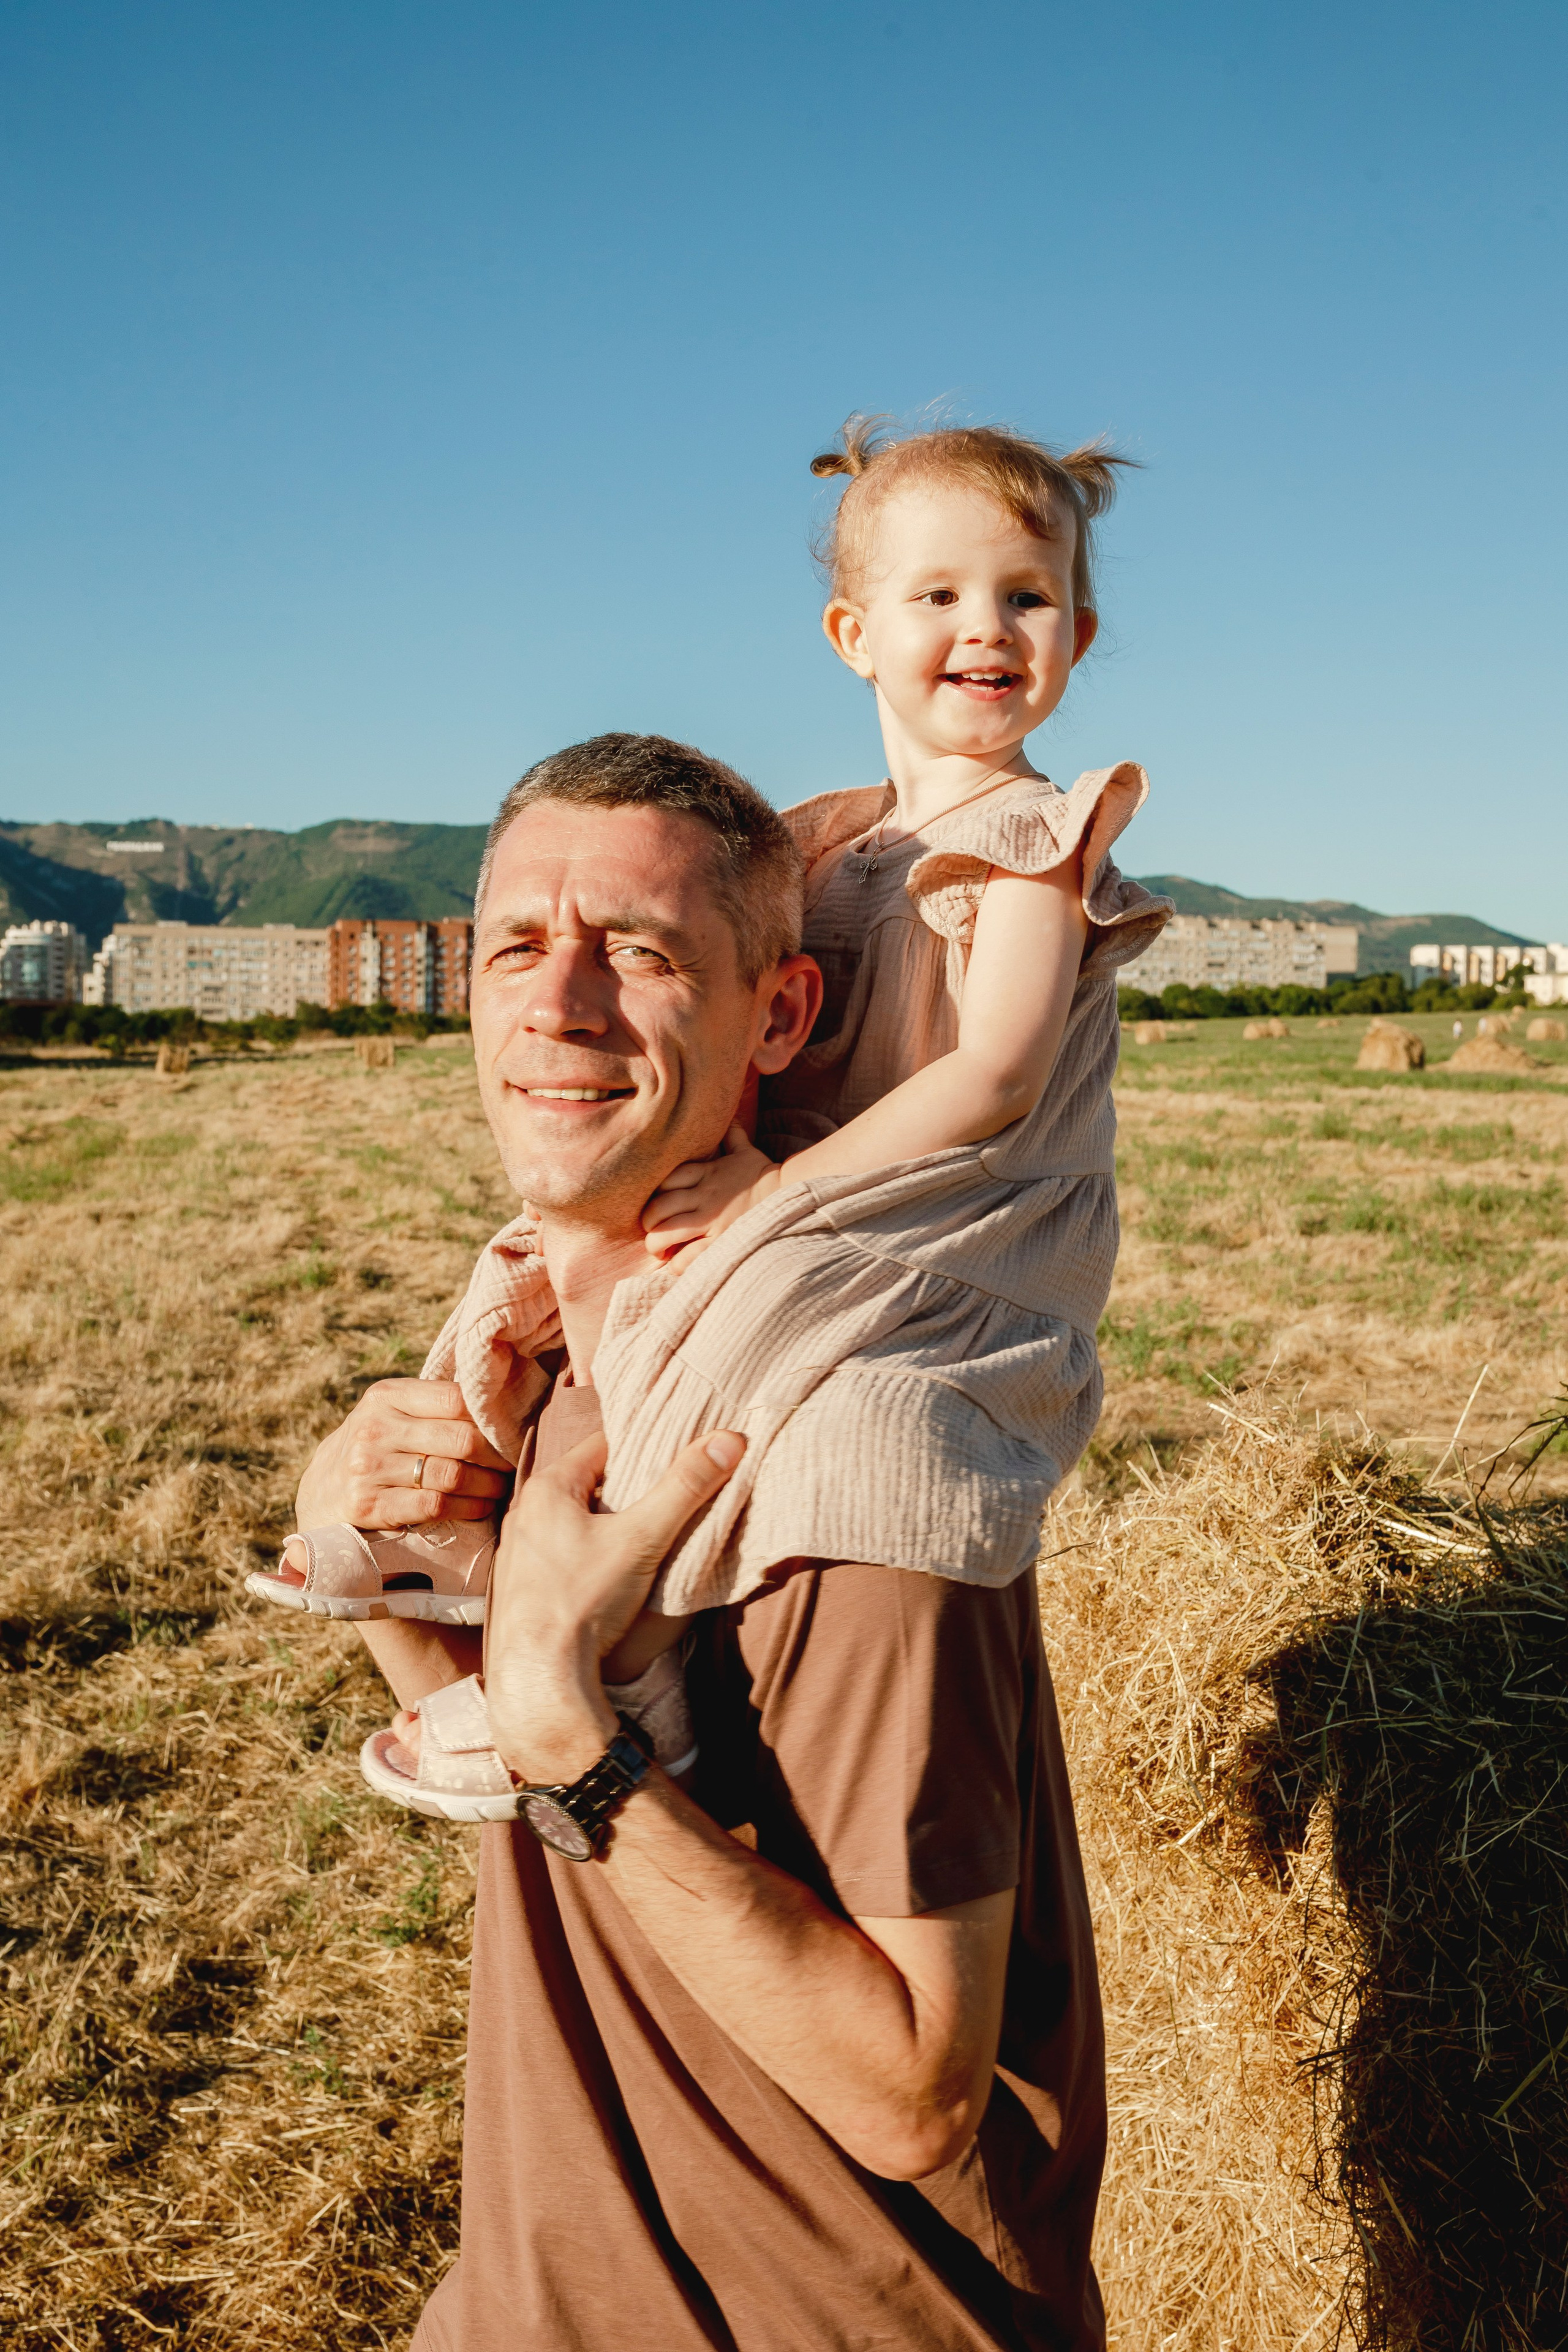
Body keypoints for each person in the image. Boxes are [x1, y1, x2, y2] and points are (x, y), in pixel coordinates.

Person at [288, 730, 1117, 2350]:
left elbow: (912, 2101)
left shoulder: (856, 1453)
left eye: (642, 954)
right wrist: (384, 1567)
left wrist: (562, 1731)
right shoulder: (538, 1369)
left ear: (782, 1016)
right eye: (519, 945)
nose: (562, 1004)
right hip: (536, 2302)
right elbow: (552, 1820)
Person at [255, 418, 1170, 1827]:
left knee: (706, 1355)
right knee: (530, 1263)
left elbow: (989, 1082)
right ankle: (441, 1553)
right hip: (805, 1199)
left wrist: (765, 1201)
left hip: (940, 1240)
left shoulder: (1034, 845)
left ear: (1079, 631)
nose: (983, 628)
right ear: (850, 632)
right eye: (936, 596)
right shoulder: (824, 844)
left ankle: (645, 1695)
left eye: (1025, 596)